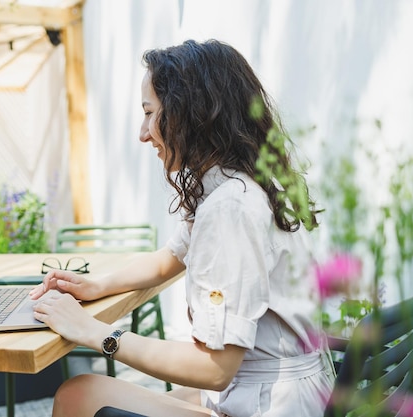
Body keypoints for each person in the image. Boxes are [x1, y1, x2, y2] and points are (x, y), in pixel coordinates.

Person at [29, 39, 334, 417]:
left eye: (149, 113)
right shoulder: (240, 184)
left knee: (80, 394)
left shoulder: (230, 209)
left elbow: (214, 368)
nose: (143, 133)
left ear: (191, 113)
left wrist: (95, 333)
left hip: (270, 404)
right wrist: (96, 286)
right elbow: (171, 257)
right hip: (279, 390)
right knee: (111, 395)